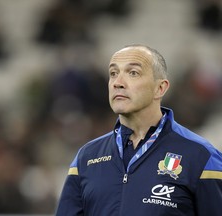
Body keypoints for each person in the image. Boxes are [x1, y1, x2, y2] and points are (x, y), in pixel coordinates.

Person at [55, 44, 222, 216]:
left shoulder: (201, 156)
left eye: (133, 73)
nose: (118, 83)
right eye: (113, 74)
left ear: (160, 88)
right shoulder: (87, 157)